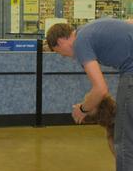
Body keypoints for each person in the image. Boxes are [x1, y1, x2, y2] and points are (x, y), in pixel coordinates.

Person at [46, 18, 133, 171]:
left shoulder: (80, 42)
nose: (66, 57)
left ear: (60, 42)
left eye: (61, 53)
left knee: (124, 140)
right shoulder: (89, 29)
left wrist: (82, 109)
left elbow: (100, 89)